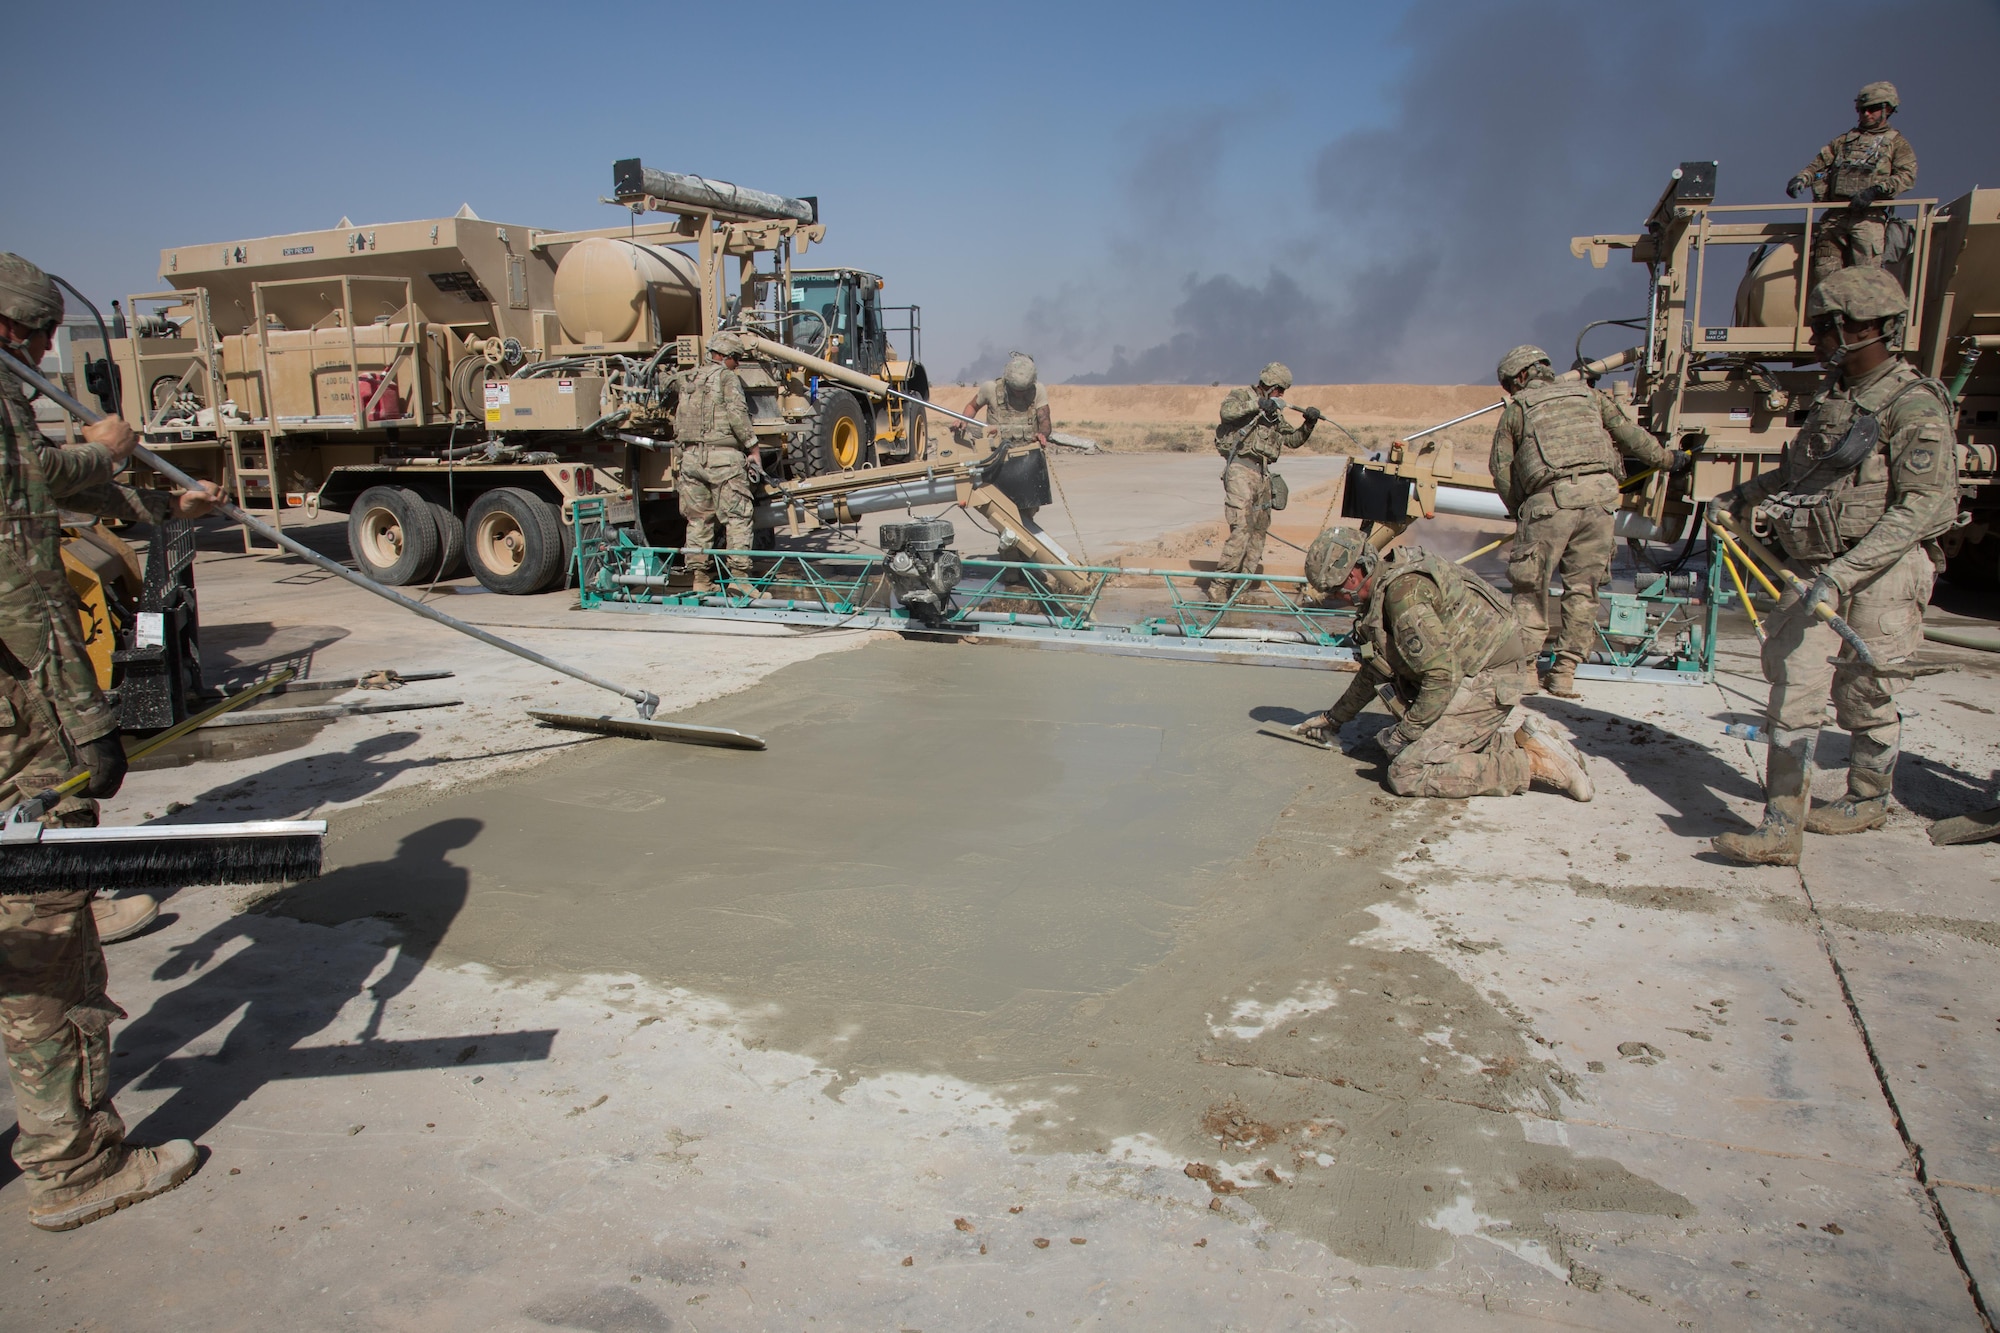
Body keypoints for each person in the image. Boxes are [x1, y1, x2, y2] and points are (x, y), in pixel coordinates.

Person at [0, 251, 222, 1230]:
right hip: (18, 730)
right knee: (45, 950)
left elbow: (41, 490)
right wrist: (89, 731)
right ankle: (74, 1165)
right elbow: (25, 576)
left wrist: (162, 502)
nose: (48, 350)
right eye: (41, 335)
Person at [1707, 267, 1955, 866]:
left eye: (1824, 328)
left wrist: (1844, 575)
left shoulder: (1912, 404)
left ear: (1861, 328)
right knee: (1793, 686)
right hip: (1817, 567)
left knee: (1866, 692)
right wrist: (1742, 495)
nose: (1816, 340)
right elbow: (1801, 475)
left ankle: (1868, 796)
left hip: (1881, 572)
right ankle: (1781, 824)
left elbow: (1919, 507)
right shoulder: (1835, 401)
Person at [1292, 525, 1593, 801]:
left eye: (1334, 591)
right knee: (1417, 743)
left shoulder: (1403, 598)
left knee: (1408, 770)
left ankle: (1531, 763)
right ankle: (1529, 741)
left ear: (1354, 576)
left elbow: (1440, 676)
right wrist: (1333, 718)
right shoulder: (1387, 584)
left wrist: (1405, 733)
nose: (1337, 598)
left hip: (1489, 679)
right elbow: (1377, 669)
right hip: (1472, 672)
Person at [1488, 345, 1686, 697]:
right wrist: (1671, 460)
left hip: (1549, 504)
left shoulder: (1517, 410)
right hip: (1600, 503)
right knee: (1584, 590)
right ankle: (1564, 674)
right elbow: (1632, 438)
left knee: (1530, 589)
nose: (1511, 392)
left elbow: (1501, 470)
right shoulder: (1591, 397)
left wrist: (1523, 508)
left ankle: (1528, 671)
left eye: (1509, 385)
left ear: (1520, 377)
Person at [1203, 362, 1320, 601]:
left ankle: (1241, 591)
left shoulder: (1275, 414)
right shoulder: (1242, 396)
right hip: (1240, 471)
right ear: (1269, 386)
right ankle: (1219, 587)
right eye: (1279, 390)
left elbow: (1292, 440)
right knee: (1241, 530)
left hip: (1263, 475)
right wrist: (1257, 404)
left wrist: (1309, 424)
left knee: (1258, 533)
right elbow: (1227, 412)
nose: (1282, 396)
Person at [1788, 82, 1918, 282]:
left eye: (1873, 109)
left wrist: (1875, 191)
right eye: (1862, 110)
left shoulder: (1896, 143)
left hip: (1868, 218)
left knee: (1865, 280)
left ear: (1888, 109)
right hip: (1835, 218)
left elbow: (1907, 176)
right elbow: (1818, 165)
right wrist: (1801, 179)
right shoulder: (1844, 141)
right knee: (1825, 276)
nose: (1866, 114)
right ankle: (1829, 314)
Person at [674, 330, 758, 598]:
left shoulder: (689, 378)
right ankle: (740, 581)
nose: (738, 365)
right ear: (724, 357)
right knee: (737, 518)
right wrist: (753, 448)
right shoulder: (726, 378)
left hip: (690, 460)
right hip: (723, 459)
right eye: (736, 359)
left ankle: (700, 580)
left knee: (698, 520)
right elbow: (737, 415)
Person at [963, 351, 1050, 449]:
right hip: (995, 453)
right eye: (1014, 390)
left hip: (1029, 453)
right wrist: (963, 421)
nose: (1019, 394)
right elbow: (973, 407)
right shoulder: (990, 389)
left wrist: (1042, 434)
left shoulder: (1038, 390)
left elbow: (1045, 421)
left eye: (1024, 390)